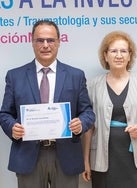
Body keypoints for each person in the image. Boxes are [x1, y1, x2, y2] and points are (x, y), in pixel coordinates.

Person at [0, 20, 95, 188]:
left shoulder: (76, 75)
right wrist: (12, 127)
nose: (45, 45)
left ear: (59, 42)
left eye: (50, 40)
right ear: (32, 42)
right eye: (40, 40)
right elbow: (5, 114)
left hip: (66, 155)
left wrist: (81, 124)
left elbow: (88, 112)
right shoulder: (15, 76)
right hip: (28, 155)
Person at [81, 31, 137, 188]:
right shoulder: (93, 85)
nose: (119, 55)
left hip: (134, 157)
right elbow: (89, 127)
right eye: (113, 51)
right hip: (102, 159)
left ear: (130, 56)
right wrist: (85, 161)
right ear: (105, 55)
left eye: (123, 51)